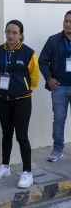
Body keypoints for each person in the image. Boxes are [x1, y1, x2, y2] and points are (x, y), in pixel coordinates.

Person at [0, 20, 39, 189]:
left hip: (22, 101)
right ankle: (5, 166)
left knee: (22, 136)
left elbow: (34, 78)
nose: (10, 36)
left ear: (21, 35)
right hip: (2, 99)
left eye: (14, 33)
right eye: (8, 32)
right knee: (6, 133)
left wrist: (22, 89)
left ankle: (27, 172)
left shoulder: (29, 53)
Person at [38, 10, 71, 162]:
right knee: (59, 119)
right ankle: (58, 149)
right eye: (66, 21)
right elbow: (43, 60)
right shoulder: (54, 40)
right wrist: (49, 78)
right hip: (60, 87)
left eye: (70, 22)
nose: (67, 24)